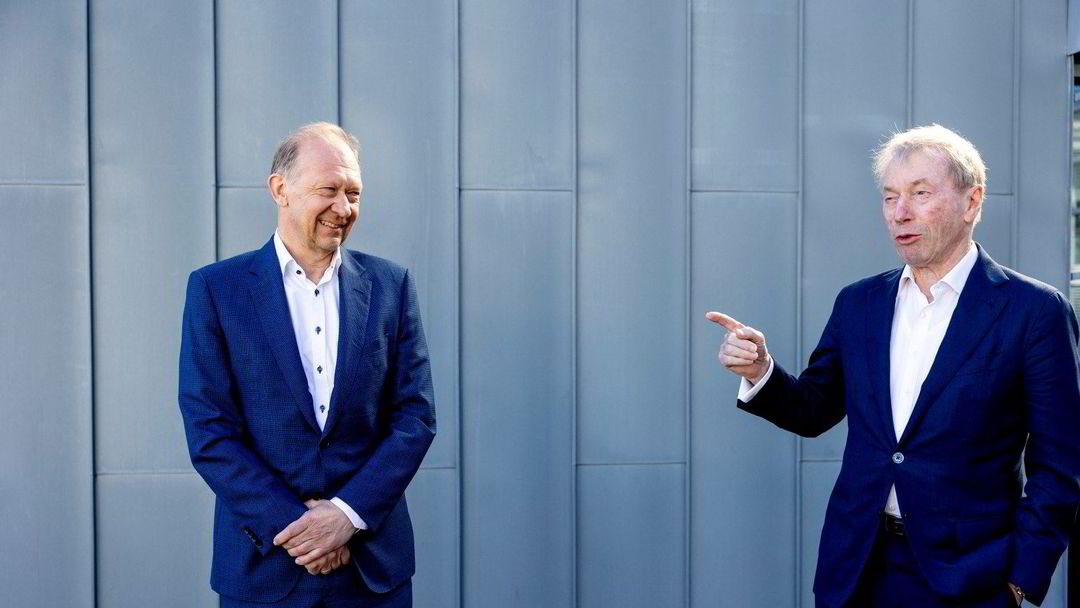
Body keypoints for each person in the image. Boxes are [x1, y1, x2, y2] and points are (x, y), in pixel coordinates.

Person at [708, 124, 1080, 607]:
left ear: (972, 202)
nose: (900, 212)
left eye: (920, 193)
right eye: (889, 197)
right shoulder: (859, 303)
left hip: (971, 579)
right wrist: (761, 371)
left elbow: (1060, 465)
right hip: (858, 568)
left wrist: (1019, 582)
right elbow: (813, 410)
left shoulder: (1034, 311)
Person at [178, 122, 435, 607]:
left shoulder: (391, 286)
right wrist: (302, 530)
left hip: (372, 569)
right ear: (280, 189)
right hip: (265, 567)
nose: (344, 208)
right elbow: (209, 429)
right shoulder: (217, 290)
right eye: (328, 190)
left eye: (353, 194)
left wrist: (346, 516)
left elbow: (414, 417)